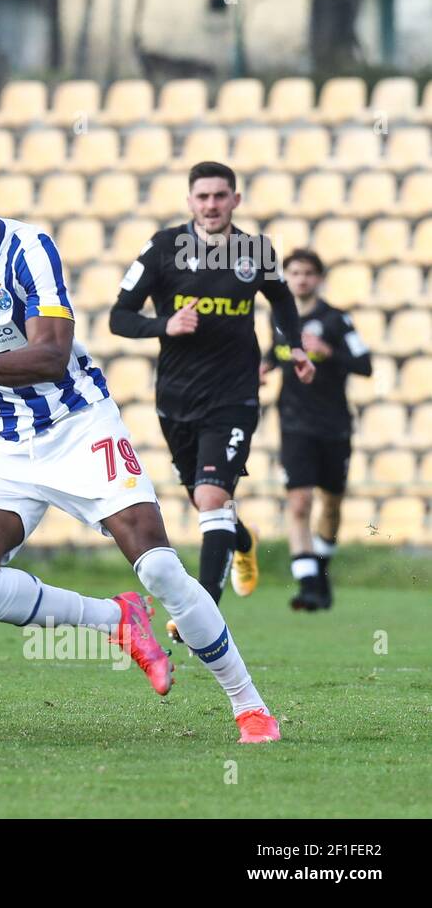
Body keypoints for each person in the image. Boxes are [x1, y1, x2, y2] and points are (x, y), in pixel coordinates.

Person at [0, 132, 280, 743]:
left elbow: (50, 356)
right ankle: (115, 620)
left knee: (156, 567)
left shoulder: (28, 250)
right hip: (5, 441)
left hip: (78, 426)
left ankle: (249, 704)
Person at [109, 160, 315, 640]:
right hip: (176, 399)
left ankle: (201, 615)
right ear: (190, 202)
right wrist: (165, 325)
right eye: (202, 197)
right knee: (210, 505)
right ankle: (242, 543)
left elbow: (281, 300)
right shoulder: (163, 249)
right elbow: (119, 317)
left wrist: (294, 347)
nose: (212, 205)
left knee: (210, 498)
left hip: (235, 395)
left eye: (221, 196)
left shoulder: (255, 251)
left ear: (235, 200)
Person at [261, 249, 371, 611]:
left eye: (308, 273)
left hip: (334, 425)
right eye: (294, 273)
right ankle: (308, 584)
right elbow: (275, 354)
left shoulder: (338, 320)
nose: (301, 279)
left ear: (319, 278)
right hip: (294, 424)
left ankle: (320, 572)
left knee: (332, 504)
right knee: (299, 502)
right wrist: (262, 368)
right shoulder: (279, 318)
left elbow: (365, 364)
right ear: (287, 278)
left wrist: (328, 351)